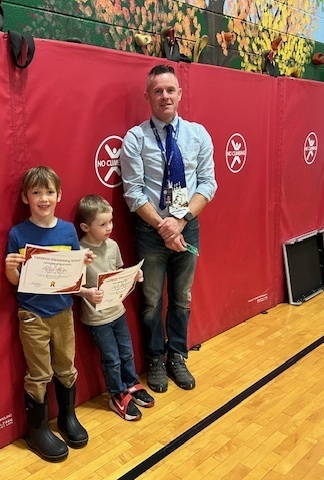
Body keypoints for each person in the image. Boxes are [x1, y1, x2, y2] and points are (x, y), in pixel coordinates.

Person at [120, 64, 218, 393]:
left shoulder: (198, 135)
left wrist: (181, 222)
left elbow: (208, 184)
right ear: (147, 96)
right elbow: (133, 193)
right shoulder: (135, 139)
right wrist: (164, 226)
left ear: (180, 94)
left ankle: (177, 356)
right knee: (150, 300)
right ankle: (154, 358)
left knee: (182, 298)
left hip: (187, 228)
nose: (165, 96)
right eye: (158, 91)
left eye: (170, 90)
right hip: (151, 232)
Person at [4, 166, 95, 462]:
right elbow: (17, 282)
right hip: (32, 314)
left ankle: (67, 417)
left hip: (63, 311)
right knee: (39, 373)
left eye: (49, 192)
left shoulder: (68, 230)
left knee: (66, 368)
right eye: (36, 192)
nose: (44, 198)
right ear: (25, 197)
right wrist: (9, 268)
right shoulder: (18, 233)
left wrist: (83, 261)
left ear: (59, 196)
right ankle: (37, 429)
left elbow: (72, 274)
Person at [75, 194, 155, 421]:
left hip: (117, 312)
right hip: (97, 318)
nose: (109, 227)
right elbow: (73, 284)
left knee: (126, 352)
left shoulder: (112, 246)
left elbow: (118, 273)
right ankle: (117, 394)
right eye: (102, 224)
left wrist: (134, 275)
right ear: (85, 226)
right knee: (111, 358)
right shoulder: (80, 252)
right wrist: (87, 292)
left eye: (111, 222)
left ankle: (130, 384)